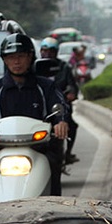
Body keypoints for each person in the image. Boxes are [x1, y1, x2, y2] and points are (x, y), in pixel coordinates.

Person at [0, 33, 70, 196]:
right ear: (4, 60)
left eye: (21, 56)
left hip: (40, 149)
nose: (16, 62)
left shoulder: (45, 87)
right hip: (2, 150)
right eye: (11, 57)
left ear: (30, 57)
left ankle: (53, 214)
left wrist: (61, 122)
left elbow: (61, 107)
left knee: (53, 165)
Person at [39, 37, 80, 167]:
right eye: (45, 51)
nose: (47, 54)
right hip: (40, 108)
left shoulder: (64, 67)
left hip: (59, 108)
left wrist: (70, 94)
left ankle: (68, 153)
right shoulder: (35, 67)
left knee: (72, 126)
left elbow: (72, 85)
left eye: (51, 51)